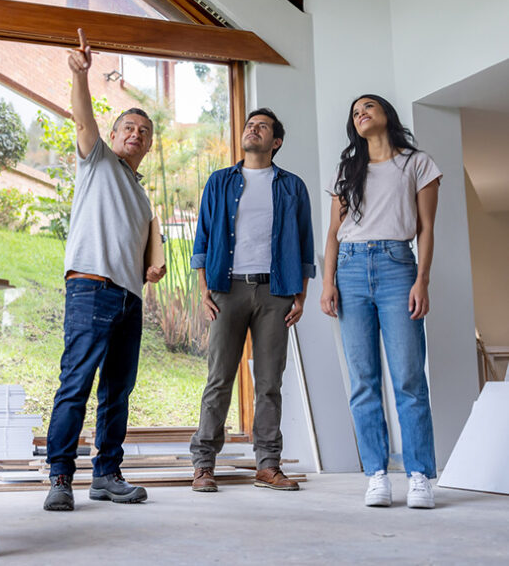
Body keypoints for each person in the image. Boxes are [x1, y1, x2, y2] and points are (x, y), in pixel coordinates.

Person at [43, 29, 166, 512]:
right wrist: (80, 74)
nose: (136, 134)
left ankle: (107, 475)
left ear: (148, 146)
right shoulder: (97, 162)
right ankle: (59, 477)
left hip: (128, 297)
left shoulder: (140, 194)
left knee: (118, 391)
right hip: (91, 288)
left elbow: (145, 247)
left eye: (144, 132)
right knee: (76, 383)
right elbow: (82, 119)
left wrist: (152, 268)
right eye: (128, 128)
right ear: (114, 137)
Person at [320, 94, 441, 509]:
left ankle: (420, 474)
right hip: (350, 271)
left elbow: (426, 228)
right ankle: (376, 474)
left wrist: (421, 280)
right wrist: (327, 283)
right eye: (354, 112)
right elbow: (333, 233)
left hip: (396, 267)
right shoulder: (347, 170)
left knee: (408, 378)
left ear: (386, 114)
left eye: (368, 107)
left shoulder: (416, 163)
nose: (361, 113)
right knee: (363, 381)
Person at [189, 108, 315, 493]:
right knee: (219, 379)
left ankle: (267, 464)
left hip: (276, 291)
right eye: (249, 124)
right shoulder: (220, 181)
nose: (252, 129)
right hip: (228, 289)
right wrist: (203, 289)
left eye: (262, 127)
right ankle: (204, 465)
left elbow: (305, 241)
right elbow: (204, 236)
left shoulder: (292, 186)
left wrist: (301, 295)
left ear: (275, 142)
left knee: (269, 382)